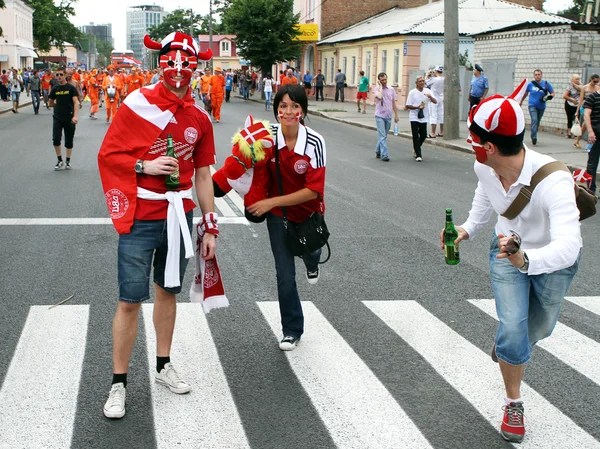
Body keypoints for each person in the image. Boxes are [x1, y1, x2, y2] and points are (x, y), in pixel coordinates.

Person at [446, 79, 581, 444]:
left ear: (489, 146)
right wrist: (470, 228)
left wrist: (528, 259)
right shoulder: (483, 167)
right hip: (505, 252)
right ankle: (513, 402)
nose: (469, 141)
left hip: (552, 261)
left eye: (473, 137)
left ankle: (510, 348)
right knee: (512, 327)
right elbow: (485, 193)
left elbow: (570, 245)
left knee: (539, 329)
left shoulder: (554, 180)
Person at [98, 31, 216, 420]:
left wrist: (210, 223)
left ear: (194, 67)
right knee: (129, 300)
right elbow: (109, 155)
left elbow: (202, 175)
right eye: (172, 64)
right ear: (160, 64)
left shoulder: (199, 117)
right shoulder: (137, 103)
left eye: (187, 65)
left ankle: (163, 365)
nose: (179, 72)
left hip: (179, 217)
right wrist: (142, 166)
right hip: (140, 216)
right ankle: (119, 383)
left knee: (168, 292)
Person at [246, 84, 326, 352]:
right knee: (284, 274)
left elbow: (313, 190)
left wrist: (271, 201)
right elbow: (250, 166)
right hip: (278, 216)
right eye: (283, 106)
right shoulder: (267, 136)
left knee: (310, 250)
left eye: (295, 106)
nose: (288, 112)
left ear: (302, 111)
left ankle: (312, 259)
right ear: (276, 108)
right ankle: (292, 330)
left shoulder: (314, 141)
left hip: (307, 212)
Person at [48, 68, 79, 170]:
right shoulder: (55, 88)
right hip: (57, 117)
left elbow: (75, 102)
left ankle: (68, 161)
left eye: (61, 74)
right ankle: (59, 159)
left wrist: (75, 116)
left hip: (69, 117)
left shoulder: (71, 88)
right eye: (57, 75)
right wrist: (55, 104)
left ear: (65, 75)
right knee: (56, 138)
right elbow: (50, 102)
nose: (59, 77)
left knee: (69, 139)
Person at [405, 76, 437, 162]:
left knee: (423, 135)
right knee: (415, 135)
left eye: (423, 81)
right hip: (414, 117)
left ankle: (416, 148)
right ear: (417, 83)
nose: (422, 83)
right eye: (420, 81)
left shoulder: (428, 91)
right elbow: (408, 105)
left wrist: (430, 97)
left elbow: (435, 101)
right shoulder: (412, 92)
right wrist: (417, 107)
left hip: (424, 117)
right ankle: (418, 155)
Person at [520, 69, 555, 146]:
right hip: (532, 105)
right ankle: (534, 136)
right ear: (534, 76)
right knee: (534, 119)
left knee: (537, 121)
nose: (537, 76)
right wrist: (521, 101)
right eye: (536, 74)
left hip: (542, 106)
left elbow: (552, 93)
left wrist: (550, 96)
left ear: (541, 75)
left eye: (539, 74)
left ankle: (534, 132)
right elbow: (525, 94)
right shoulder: (530, 84)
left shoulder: (546, 84)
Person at [373, 72, 398, 162]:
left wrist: (396, 115)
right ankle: (385, 155)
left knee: (384, 136)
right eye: (382, 80)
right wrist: (380, 87)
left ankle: (377, 150)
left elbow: (393, 102)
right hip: (379, 115)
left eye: (385, 79)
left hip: (388, 115)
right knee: (382, 135)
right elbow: (379, 96)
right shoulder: (376, 89)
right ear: (379, 80)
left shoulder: (391, 89)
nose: (384, 81)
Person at [574, 74, 600, 149]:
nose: (595, 83)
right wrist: (577, 111)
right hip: (585, 108)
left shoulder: (597, 88)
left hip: (594, 109)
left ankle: (592, 140)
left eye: (597, 81)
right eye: (594, 81)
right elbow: (581, 100)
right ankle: (577, 140)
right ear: (590, 79)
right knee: (585, 124)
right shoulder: (585, 88)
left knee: (592, 124)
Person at [583, 85, 600, 195]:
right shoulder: (592, 97)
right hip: (596, 135)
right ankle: (590, 189)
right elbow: (586, 114)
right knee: (592, 163)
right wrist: (590, 131)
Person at [426, 66, 445, 137]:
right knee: (441, 115)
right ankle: (441, 132)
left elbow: (425, 83)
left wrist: (427, 75)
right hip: (441, 98)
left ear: (436, 71)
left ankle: (433, 133)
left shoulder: (434, 79)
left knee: (433, 115)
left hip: (433, 99)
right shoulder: (444, 79)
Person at [563, 74, 581, 139]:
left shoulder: (581, 86)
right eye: (576, 79)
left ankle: (576, 133)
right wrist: (572, 100)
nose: (577, 80)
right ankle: (569, 132)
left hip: (578, 105)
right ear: (572, 80)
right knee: (569, 118)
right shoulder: (570, 86)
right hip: (569, 104)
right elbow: (565, 96)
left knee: (577, 118)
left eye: (578, 79)